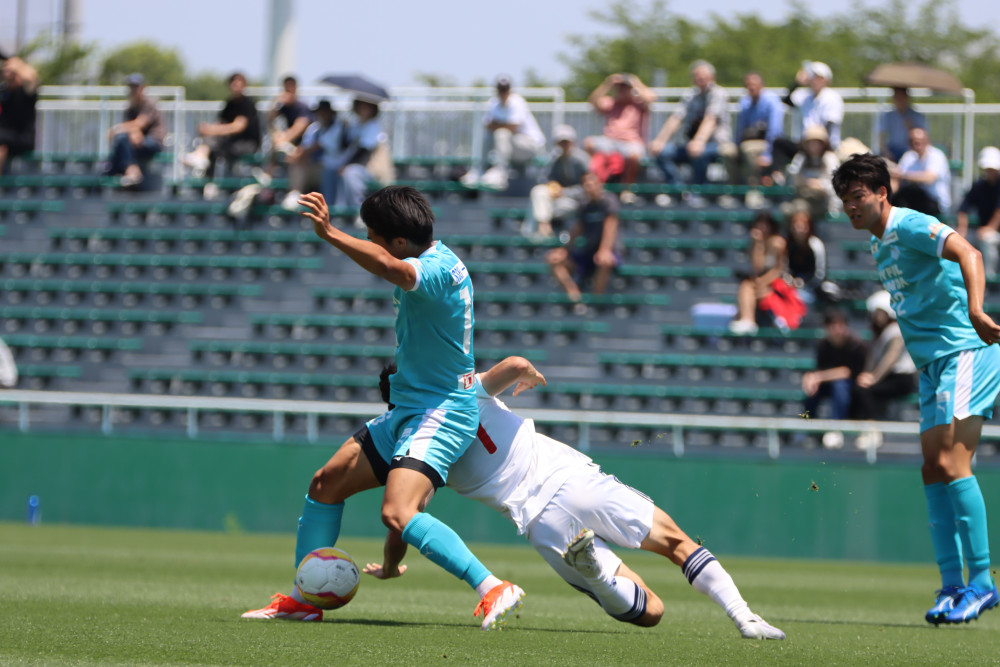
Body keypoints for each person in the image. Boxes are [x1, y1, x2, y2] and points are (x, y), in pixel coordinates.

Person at [246, 355, 786, 640]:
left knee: (651, 613)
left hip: (540, 522)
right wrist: (524, 372)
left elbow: (404, 516)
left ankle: (599, 579)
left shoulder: (415, 443)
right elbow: (509, 365)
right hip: (571, 478)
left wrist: (390, 566)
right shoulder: (457, 393)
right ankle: (745, 618)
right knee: (676, 543)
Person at [243, 186, 524, 631]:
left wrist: (331, 234)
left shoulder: (433, 270)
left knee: (398, 512)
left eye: (373, 236)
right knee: (326, 483)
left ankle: (492, 587)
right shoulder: (435, 258)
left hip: (442, 412)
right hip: (412, 406)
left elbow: (392, 268)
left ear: (398, 241)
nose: (369, 242)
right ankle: (303, 599)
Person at [833, 152, 1000, 623]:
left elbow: (969, 252)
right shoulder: (877, 242)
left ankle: (982, 583)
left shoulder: (908, 224)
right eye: (845, 200)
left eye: (859, 196)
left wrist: (976, 309)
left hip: (965, 352)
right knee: (931, 469)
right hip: (932, 366)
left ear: (882, 193)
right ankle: (951, 586)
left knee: (953, 463)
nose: (851, 206)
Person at [650, 60, 733, 194]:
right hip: (691, 144)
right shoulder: (690, 95)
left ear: (713, 78)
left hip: (716, 144)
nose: (701, 81)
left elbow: (711, 119)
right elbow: (676, 118)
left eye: (704, 78)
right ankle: (680, 190)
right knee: (662, 152)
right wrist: (659, 141)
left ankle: (698, 191)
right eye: (698, 78)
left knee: (700, 153)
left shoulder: (719, 94)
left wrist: (699, 141)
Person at [851, 290, 918, 450]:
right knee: (859, 389)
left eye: (878, 312)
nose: (875, 316)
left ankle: (872, 431)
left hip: (902, 379)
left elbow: (891, 358)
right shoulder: (885, 332)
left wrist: (874, 378)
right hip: (893, 378)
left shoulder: (895, 330)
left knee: (864, 390)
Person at [545, 172, 621, 313]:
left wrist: (605, 249)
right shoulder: (584, 205)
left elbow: (611, 226)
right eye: (586, 183)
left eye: (592, 183)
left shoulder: (608, 201)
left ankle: (596, 303)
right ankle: (576, 299)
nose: (589, 186)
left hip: (608, 250)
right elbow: (577, 229)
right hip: (588, 252)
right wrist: (565, 250)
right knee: (554, 259)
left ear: (599, 184)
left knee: (604, 261)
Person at [182, 72, 262, 200]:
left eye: (239, 83)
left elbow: (237, 127)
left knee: (217, 146)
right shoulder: (229, 104)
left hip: (247, 144)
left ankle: (201, 158)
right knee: (213, 146)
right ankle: (207, 179)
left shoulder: (247, 104)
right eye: (233, 83)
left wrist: (212, 130)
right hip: (231, 143)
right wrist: (208, 129)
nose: (236, 86)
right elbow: (220, 123)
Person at [461, 75, 545, 191]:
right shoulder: (493, 103)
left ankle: (501, 173)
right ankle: (478, 169)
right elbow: (487, 125)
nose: (503, 92)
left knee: (501, 133)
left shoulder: (517, 102)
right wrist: (502, 125)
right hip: (511, 146)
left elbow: (513, 126)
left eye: (505, 89)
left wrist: (497, 124)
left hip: (530, 147)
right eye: (501, 89)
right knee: (490, 135)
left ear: (510, 89)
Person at [800, 308, 868, 448]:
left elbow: (846, 372)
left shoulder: (856, 345)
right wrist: (810, 379)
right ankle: (805, 424)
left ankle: (835, 427)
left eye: (840, 325)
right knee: (811, 390)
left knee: (840, 385)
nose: (837, 329)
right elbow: (819, 368)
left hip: (854, 389)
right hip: (827, 384)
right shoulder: (822, 345)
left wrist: (817, 377)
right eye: (833, 325)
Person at [583, 73, 655, 196]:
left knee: (634, 155)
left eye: (625, 88)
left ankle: (626, 188)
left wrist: (635, 81)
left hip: (631, 142)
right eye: (620, 88)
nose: (622, 91)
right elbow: (592, 100)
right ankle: (595, 185)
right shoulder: (611, 103)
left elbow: (652, 98)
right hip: (609, 141)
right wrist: (608, 83)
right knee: (589, 143)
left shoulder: (639, 103)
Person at [729, 212, 800, 335]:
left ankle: (748, 319)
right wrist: (758, 244)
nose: (762, 228)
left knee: (752, 289)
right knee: (746, 286)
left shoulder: (778, 243)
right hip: (762, 282)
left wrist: (763, 281)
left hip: (778, 283)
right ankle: (748, 320)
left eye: (764, 225)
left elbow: (778, 269)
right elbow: (757, 267)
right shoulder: (756, 243)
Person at [773, 61, 843, 171]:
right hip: (805, 145)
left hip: (824, 146)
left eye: (817, 77)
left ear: (826, 80)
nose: (814, 80)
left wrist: (818, 144)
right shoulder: (805, 96)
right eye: (812, 77)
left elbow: (829, 125)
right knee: (779, 143)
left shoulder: (832, 97)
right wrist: (797, 83)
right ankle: (776, 176)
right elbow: (787, 100)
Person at [324, 97, 388, 210]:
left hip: (370, 169)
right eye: (361, 105)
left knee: (350, 172)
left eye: (367, 106)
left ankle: (359, 211)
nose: (363, 109)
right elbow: (344, 145)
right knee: (330, 170)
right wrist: (343, 128)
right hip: (354, 165)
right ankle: (330, 209)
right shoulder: (356, 125)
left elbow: (364, 151)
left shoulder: (374, 126)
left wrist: (346, 165)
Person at [526, 124, 589, 238]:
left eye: (566, 142)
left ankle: (535, 232)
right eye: (561, 142)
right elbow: (544, 178)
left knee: (538, 208)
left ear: (573, 142)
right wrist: (552, 186)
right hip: (555, 199)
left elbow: (587, 188)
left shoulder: (582, 160)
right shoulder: (554, 158)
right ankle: (544, 227)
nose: (564, 145)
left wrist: (565, 192)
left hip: (576, 202)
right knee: (538, 191)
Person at [103, 73, 165, 188]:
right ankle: (113, 171)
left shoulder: (149, 103)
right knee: (121, 140)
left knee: (122, 138)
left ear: (142, 88)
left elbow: (139, 123)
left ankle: (131, 171)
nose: (133, 90)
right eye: (131, 87)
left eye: (136, 87)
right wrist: (133, 131)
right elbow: (133, 129)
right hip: (135, 142)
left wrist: (116, 129)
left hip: (154, 142)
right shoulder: (131, 107)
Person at [734, 72, 785, 206]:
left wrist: (767, 154)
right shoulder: (744, 102)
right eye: (748, 85)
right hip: (747, 141)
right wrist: (736, 147)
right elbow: (740, 129)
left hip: (769, 143)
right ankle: (735, 191)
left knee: (748, 150)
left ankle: (753, 190)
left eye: (754, 85)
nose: (752, 88)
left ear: (762, 85)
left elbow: (774, 131)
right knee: (727, 151)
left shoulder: (771, 101)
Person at [281, 100, 342, 210]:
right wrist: (297, 155)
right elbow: (305, 147)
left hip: (331, 168)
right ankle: (295, 194)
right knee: (297, 166)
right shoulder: (313, 128)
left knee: (303, 165)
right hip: (312, 167)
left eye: (325, 111)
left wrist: (297, 155)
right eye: (320, 112)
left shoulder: (337, 127)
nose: (322, 114)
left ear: (330, 113)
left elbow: (318, 145)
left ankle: (298, 195)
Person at [260, 75, 312, 181]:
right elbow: (269, 119)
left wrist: (283, 139)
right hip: (287, 144)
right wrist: (275, 102)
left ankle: (292, 187)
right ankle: (268, 176)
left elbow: (299, 127)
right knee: (275, 144)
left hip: (303, 146)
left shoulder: (302, 107)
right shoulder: (283, 107)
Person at [957, 146, 1000, 274]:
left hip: (990, 233)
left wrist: (990, 228)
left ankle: (990, 281)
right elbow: (963, 209)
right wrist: (962, 228)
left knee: (987, 241)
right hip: (984, 233)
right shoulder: (978, 186)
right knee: (961, 242)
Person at [891, 127, 952, 217]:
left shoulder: (937, 155)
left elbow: (929, 178)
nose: (917, 145)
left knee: (911, 195)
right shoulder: (908, 156)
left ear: (927, 141)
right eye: (913, 142)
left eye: (920, 141)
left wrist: (903, 175)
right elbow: (897, 178)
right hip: (913, 199)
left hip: (934, 202)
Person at [786, 125, 841, 220]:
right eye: (811, 143)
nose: (814, 146)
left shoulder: (830, 158)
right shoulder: (801, 158)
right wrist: (807, 182)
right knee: (788, 209)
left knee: (800, 208)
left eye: (817, 143)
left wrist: (820, 185)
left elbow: (835, 186)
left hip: (823, 202)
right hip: (802, 197)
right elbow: (793, 178)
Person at [785, 206, 831, 308]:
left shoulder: (816, 245)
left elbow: (819, 274)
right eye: (796, 224)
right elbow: (785, 269)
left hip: (811, 289)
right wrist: (791, 281)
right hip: (790, 287)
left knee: (801, 298)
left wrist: (804, 283)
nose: (799, 228)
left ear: (809, 226)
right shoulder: (787, 245)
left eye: (803, 225)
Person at [0, 56, 38, 176]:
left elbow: (31, 79)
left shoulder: (27, 92)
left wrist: (17, 66)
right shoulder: (5, 92)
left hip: (22, 138)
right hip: (5, 138)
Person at [879, 87, 927, 163]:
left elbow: (923, 138)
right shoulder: (888, 116)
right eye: (897, 97)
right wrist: (886, 152)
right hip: (893, 150)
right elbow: (881, 136)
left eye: (902, 97)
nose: (900, 100)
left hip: (911, 150)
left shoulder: (917, 116)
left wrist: (911, 128)